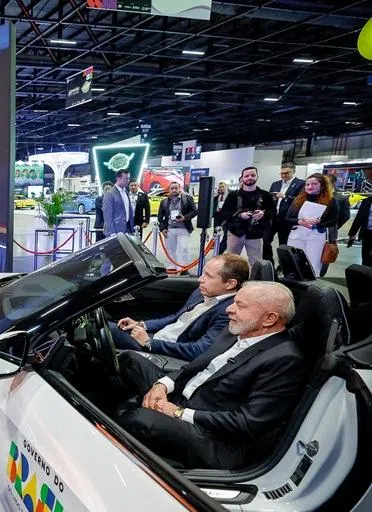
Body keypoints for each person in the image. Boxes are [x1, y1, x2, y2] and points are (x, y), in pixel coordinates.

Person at [115, 282, 305, 470]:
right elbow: (195, 366)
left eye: (240, 305)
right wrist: (161, 386)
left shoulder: (284, 359)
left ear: (269, 318)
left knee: (138, 419)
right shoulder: (235, 331)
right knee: (130, 360)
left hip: (211, 434)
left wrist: (179, 413)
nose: (229, 309)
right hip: (187, 397)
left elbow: (247, 422)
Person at [110, 254, 248, 361]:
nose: (200, 279)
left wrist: (149, 343)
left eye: (208, 276)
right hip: (155, 337)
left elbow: (200, 350)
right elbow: (175, 318)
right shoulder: (202, 292)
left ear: (230, 284)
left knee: (103, 330)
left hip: (165, 351)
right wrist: (141, 324)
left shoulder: (229, 312)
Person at [285, 173, 340, 278]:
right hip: (297, 235)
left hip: (316, 237)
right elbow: (288, 218)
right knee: (295, 262)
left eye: (314, 184)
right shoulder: (298, 200)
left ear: (322, 185)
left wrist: (318, 223)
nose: (310, 187)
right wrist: (300, 221)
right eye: (307, 184)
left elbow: (333, 221)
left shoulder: (331, 201)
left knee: (313, 264)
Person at [220, 167, 274, 267]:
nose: (250, 178)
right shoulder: (233, 196)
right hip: (235, 233)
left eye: (253, 175)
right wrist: (239, 215)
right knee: (230, 263)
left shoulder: (266, 195)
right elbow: (224, 213)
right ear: (242, 178)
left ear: (257, 176)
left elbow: (273, 212)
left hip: (256, 235)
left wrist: (263, 214)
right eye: (247, 176)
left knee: (256, 263)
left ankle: (254, 281)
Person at [266, 162, 306, 260]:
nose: (284, 175)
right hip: (273, 218)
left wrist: (286, 197)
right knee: (265, 240)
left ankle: (283, 266)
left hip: (287, 220)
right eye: (282, 173)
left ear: (294, 171)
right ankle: (269, 262)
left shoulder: (301, 184)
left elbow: (301, 200)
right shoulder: (275, 184)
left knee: (284, 244)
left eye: (287, 173)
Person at [157, 183, 197, 270]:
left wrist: (184, 218)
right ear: (169, 190)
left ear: (179, 189)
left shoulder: (187, 199)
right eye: (172, 188)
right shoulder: (164, 202)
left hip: (184, 228)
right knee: (171, 249)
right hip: (170, 229)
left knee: (183, 248)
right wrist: (163, 229)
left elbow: (194, 211)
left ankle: (182, 267)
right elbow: (160, 217)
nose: (174, 190)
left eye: (176, 188)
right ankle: (172, 266)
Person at [103, 169, 134, 236]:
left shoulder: (126, 193)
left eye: (128, 178)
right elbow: (107, 215)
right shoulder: (110, 194)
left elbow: (129, 210)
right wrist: (112, 232)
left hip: (127, 230)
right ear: (118, 179)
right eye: (126, 178)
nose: (128, 181)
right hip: (115, 231)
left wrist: (132, 228)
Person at [347, 196, 372, 266]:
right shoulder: (366, 201)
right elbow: (358, 218)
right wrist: (352, 234)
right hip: (367, 234)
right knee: (366, 260)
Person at [214, 181, 230, 253]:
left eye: (223, 187)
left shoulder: (230, 196)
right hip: (218, 216)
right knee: (216, 232)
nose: (221, 188)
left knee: (226, 234)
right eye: (220, 187)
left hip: (226, 217)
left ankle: (220, 250)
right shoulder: (217, 196)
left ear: (226, 187)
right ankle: (216, 247)